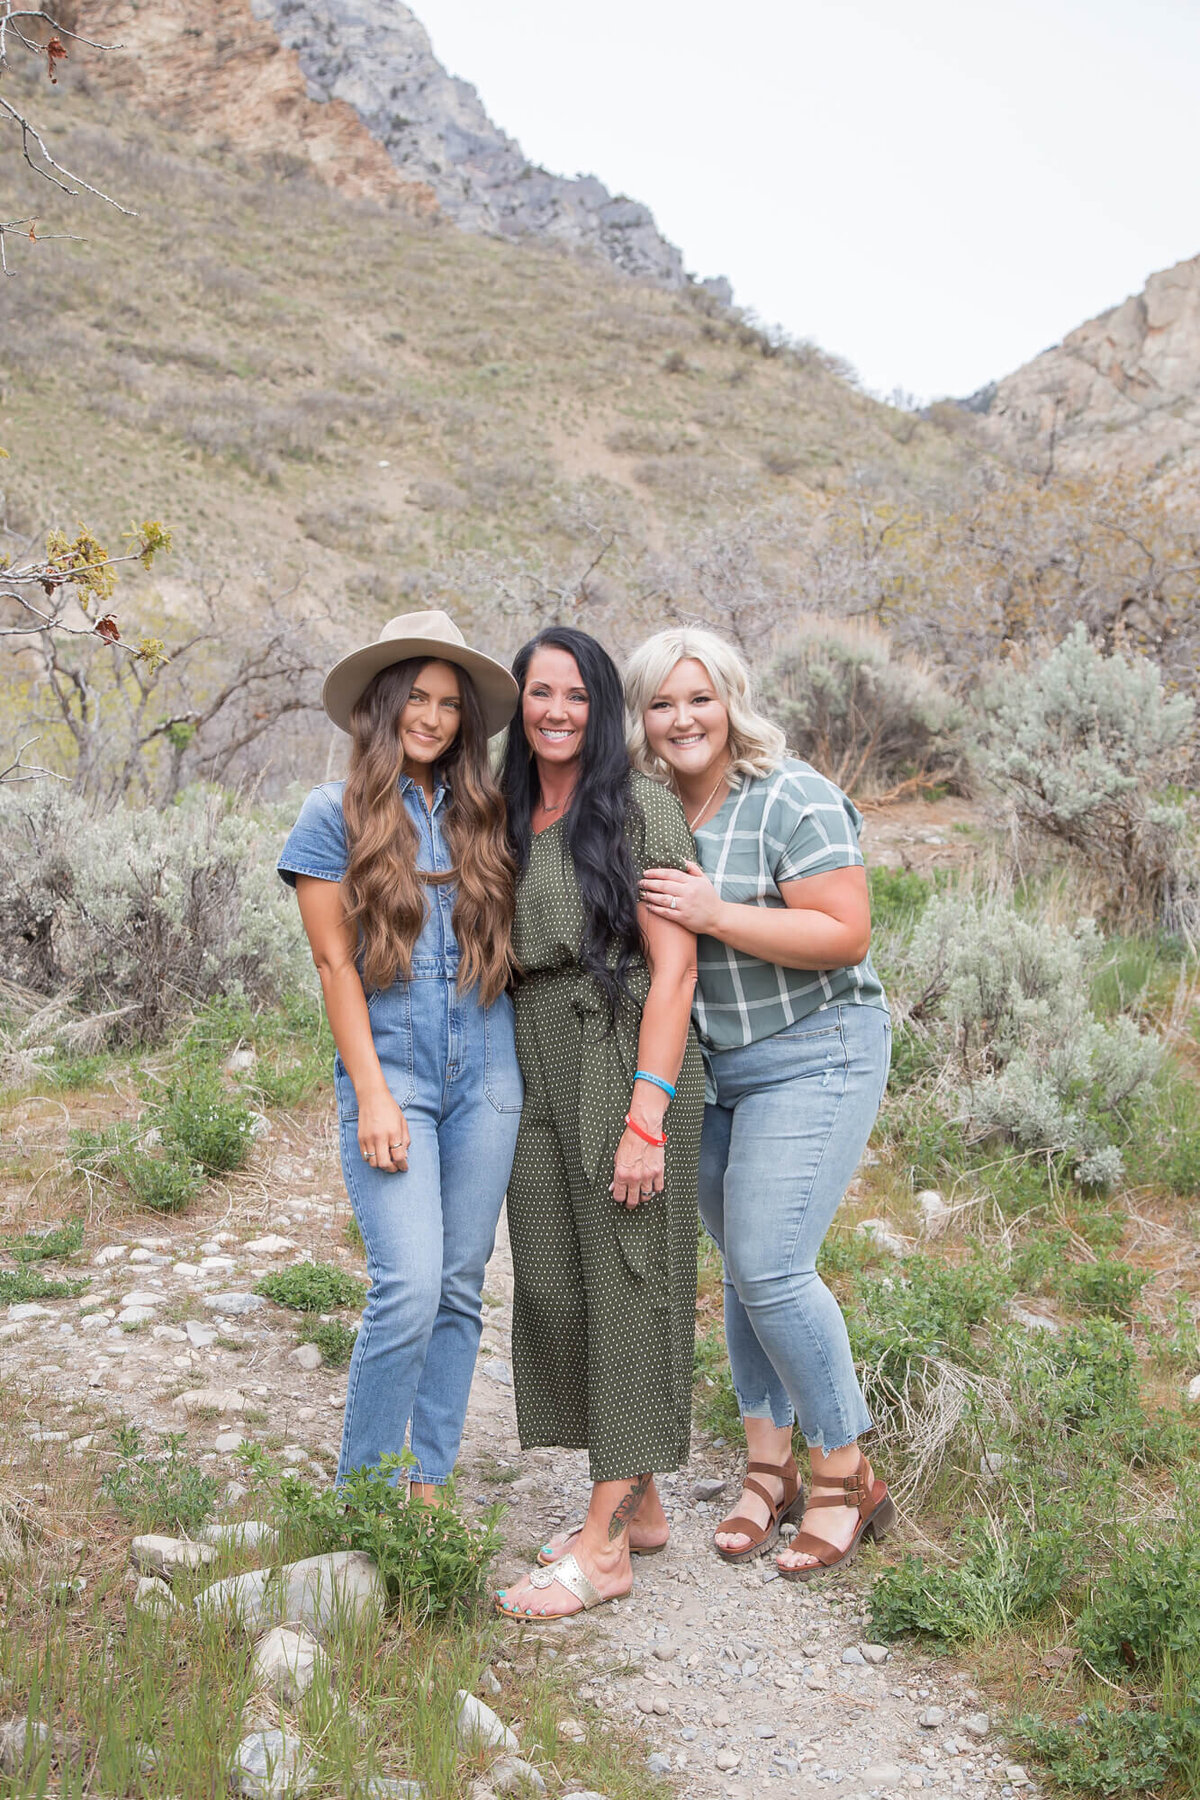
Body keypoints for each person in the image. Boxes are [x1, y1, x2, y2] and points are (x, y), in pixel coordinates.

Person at [626, 624, 895, 1580]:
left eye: (699, 698)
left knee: (774, 1268)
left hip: (815, 1052)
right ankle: (767, 1466)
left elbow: (847, 931)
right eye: (662, 702)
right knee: (740, 1271)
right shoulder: (647, 810)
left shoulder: (791, 795)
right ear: (643, 718)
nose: (683, 718)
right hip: (714, 1070)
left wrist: (715, 914)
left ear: (731, 700)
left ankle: (847, 1471)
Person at [278, 610, 523, 1501]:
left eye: (450, 704)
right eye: (416, 697)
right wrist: (373, 1096)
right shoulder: (329, 815)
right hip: (395, 1073)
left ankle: (425, 1489)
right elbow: (333, 962)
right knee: (410, 1283)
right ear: (383, 705)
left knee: (460, 1287)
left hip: (491, 1073)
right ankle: (368, 1499)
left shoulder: (484, 813)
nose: (433, 717)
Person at [494, 626, 704, 1620]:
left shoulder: (641, 808)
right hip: (530, 1049)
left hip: (621, 1048)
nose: (558, 711)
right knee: (550, 1277)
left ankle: (607, 1544)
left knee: (629, 1281)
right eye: (541, 692)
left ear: (602, 704)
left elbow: (677, 969)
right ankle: (644, 1499)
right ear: (521, 704)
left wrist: (647, 1117)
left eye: (577, 693)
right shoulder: (511, 809)